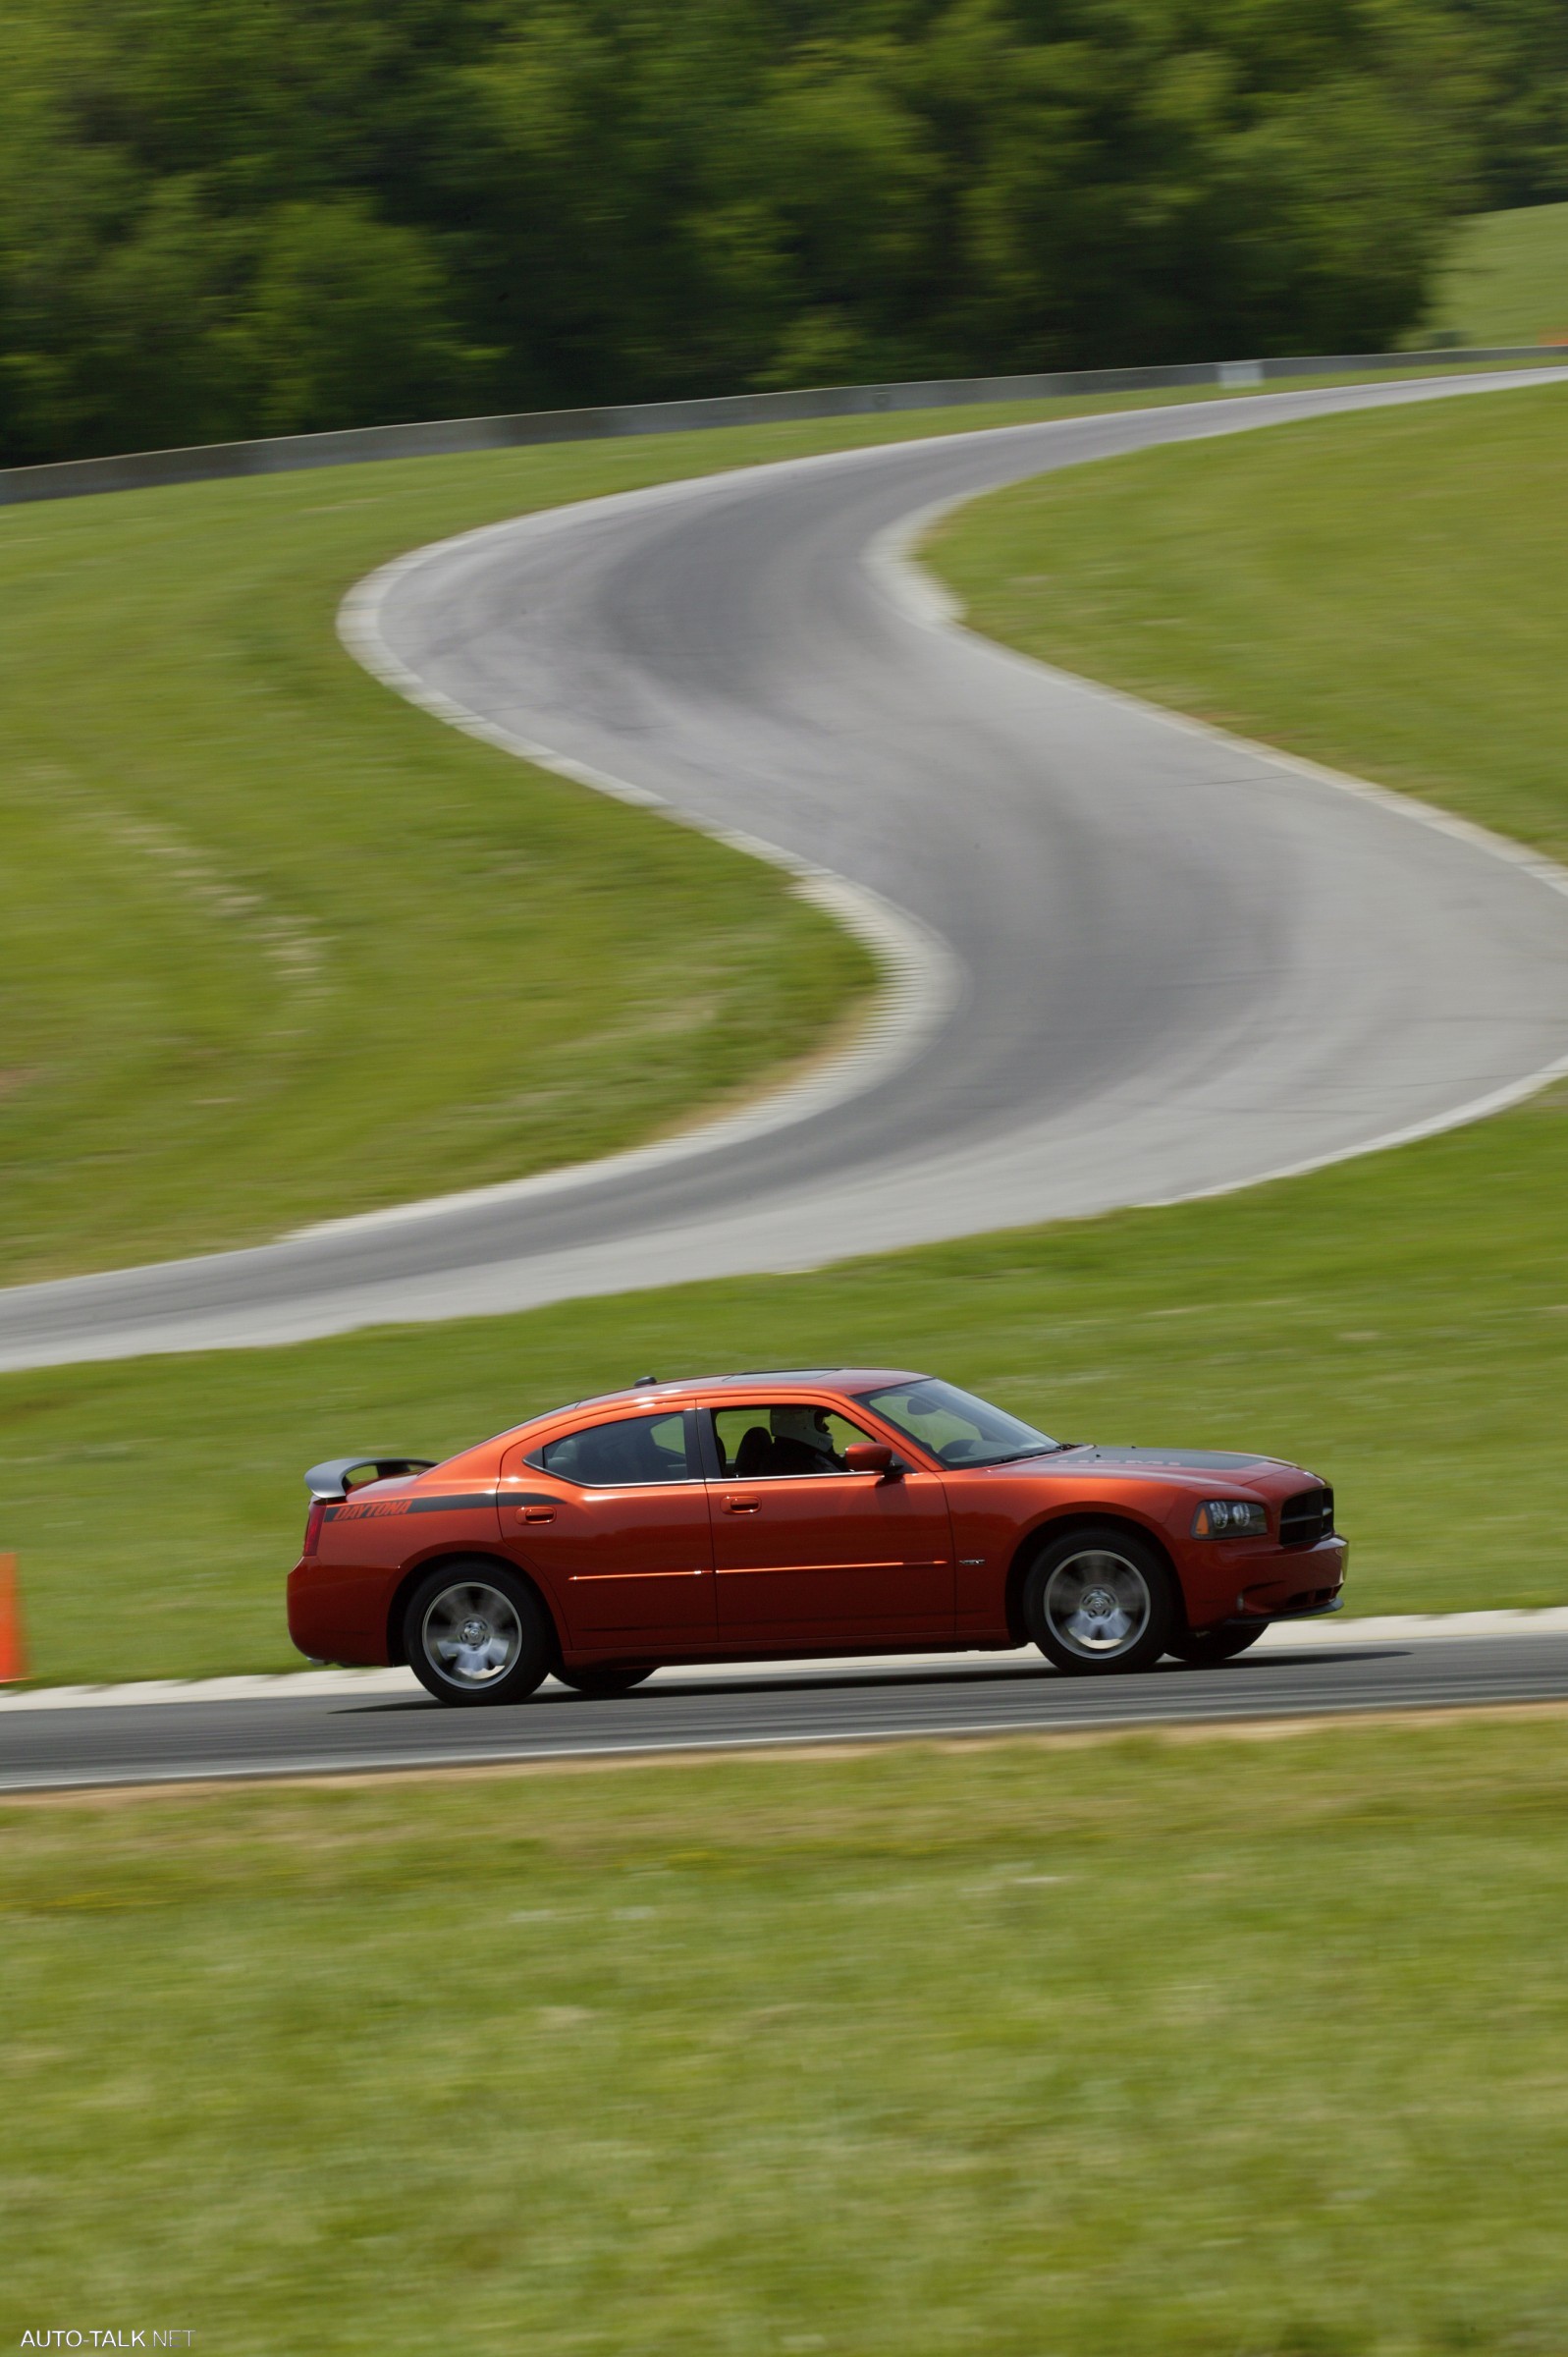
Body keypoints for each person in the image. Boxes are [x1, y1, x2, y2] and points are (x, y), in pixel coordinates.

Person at [767, 1403, 843, 1475]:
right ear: (803, 1424)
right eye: (820, 1422)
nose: (826, 1427)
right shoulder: (793, 1463)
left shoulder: (807, 1451)